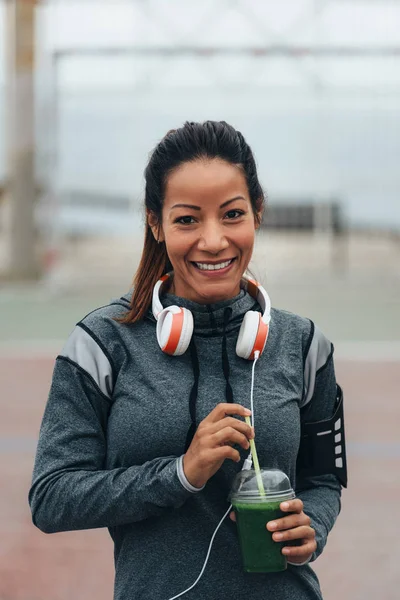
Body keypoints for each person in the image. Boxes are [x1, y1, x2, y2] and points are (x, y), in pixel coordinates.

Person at [29, 121, 345, 600]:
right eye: (187, 219)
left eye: (232, 214)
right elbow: (52, 498)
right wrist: (181, 472)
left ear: (257, 213)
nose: (214, 241)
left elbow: (324, 479)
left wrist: (312, 528)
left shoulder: (304, 344)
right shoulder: (100, 345)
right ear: (155, 223)